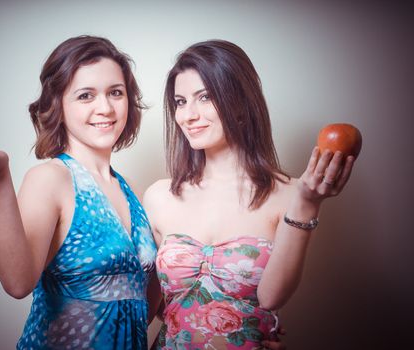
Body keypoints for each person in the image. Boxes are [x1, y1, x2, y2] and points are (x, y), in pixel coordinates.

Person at [0, 35, 159, 350]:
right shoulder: (51, 178)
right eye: (85, 96)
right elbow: (17, 282)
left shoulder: (131, 188)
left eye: (115, 93)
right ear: (58, 105)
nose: (105, 107)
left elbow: (143, 299)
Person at [143, 40, 355, 349]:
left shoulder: (290, 194)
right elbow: (144, 307)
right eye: (180, 101)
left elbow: (271, 297)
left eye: (205, 97)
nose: (188, 115)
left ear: (240, 102)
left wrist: (308, 203)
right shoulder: (159, 196)